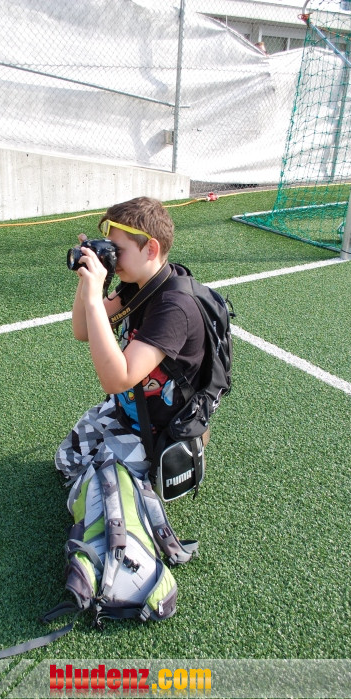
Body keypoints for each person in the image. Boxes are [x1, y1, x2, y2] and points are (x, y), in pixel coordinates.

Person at [55, 196, 206, 484]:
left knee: (97, 489)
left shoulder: (174, 306)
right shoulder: (135, 285)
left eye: (117, 251)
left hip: (160, 428)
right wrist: (87, 279)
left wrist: (94, 297)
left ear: (151, 249)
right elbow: (82, 330)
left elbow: (116, 380)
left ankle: (179, 454)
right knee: (67, 462)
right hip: (129, 408)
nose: (111, 258)